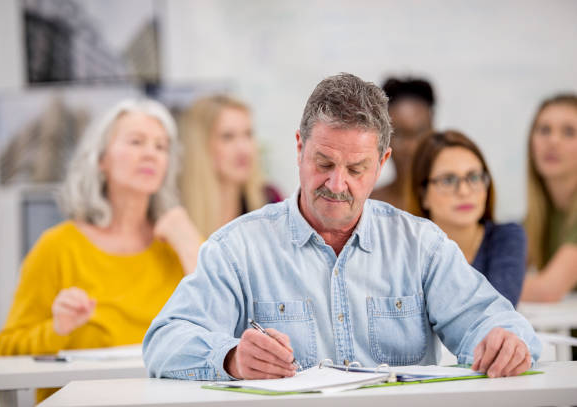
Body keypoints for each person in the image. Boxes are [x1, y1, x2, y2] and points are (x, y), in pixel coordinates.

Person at [143, 73, 540, 382]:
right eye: (324, 163)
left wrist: (505, 341)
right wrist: (230, 358)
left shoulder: (421, 245)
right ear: (299, 148)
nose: (337, 185)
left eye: (356, 169)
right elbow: (165, 341)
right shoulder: (238, 248)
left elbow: (497, 323)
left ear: (382, 162)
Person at [0, 99, 202, 402]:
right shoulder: (57, 247)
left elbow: (224, 332)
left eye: (161, 146)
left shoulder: (179, 245)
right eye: (136, 141)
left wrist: (188, 242)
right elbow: (2, 352)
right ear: (101, 159)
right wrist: (57, 329)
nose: (150, 153)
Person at [406, 130, 526, 306]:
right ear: (423, 195)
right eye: (448, 180)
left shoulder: (506, 237)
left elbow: (496, 311)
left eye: (474, 177)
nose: (464, 191)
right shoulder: (405, 248)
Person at [179, 95, 282, 238]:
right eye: (228, 137)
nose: (244, 149)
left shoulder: (271, 202)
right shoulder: (176, 212)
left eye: (248, 134)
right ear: (200, 146)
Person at [521, 94, 577, 302]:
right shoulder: (537, 214)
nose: (553, 141)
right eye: (544, 130)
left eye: (569, 132)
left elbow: (548, 290)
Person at [369, 77, 435, 209]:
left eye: (420, 133)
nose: (411, 147)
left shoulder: (453, 203)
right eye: (398, 134)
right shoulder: (367, 204)